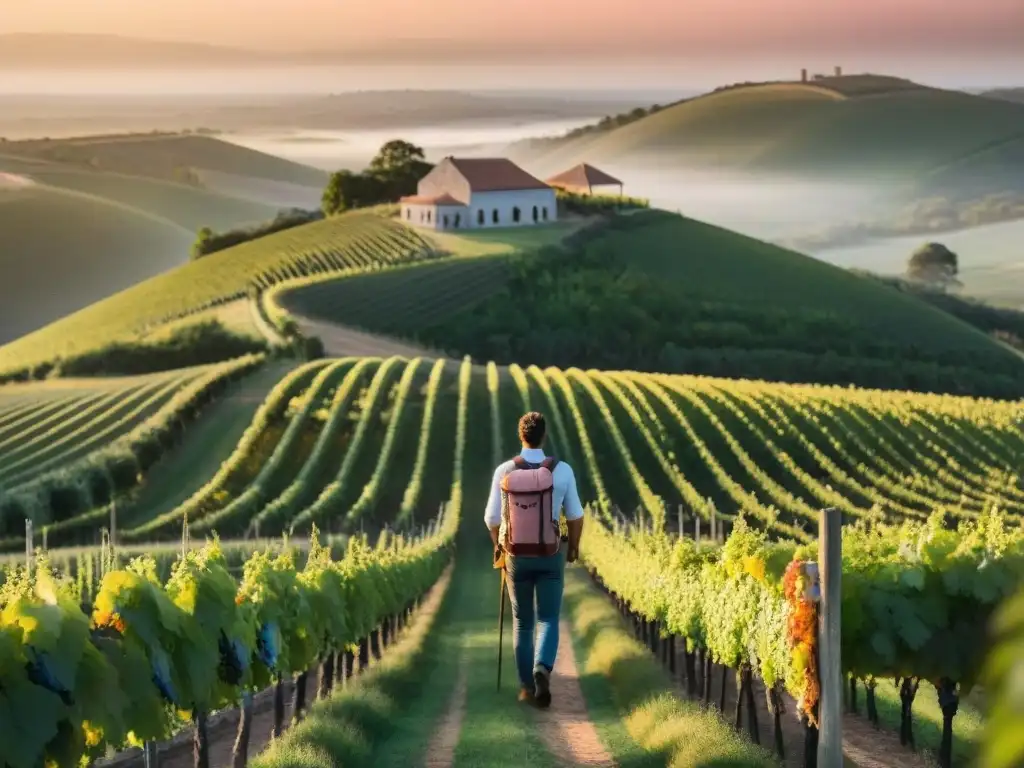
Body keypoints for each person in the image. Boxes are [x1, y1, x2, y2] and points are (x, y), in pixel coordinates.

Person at [484, 411, 584, 708]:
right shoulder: (562, 470)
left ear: (521, 435)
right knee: (549, 618)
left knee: (523, 621)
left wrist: (500, 548)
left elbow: (491, 519)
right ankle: (542, 667)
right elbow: (576, 515)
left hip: (517, 556)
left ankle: (527, 687)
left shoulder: (505, 470)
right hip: (550, 553)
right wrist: (574, 547)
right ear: (544, 435)